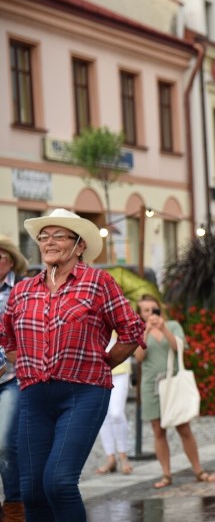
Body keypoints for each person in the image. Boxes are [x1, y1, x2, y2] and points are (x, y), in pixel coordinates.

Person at [0, 209, 145, 521]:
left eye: (58, 236)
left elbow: (132, 330)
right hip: (34, 396)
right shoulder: (23, 290)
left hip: (83, 393)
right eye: (44, 237)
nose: (49, 242)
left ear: (79, 246)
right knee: (32, 491)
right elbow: (7, 338)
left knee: (58, 482)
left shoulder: (98, 282)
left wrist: (104, 361)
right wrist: (27, 363)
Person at [134, 295, 215, 489]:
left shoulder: (172, 326)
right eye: (145, 311)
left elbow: (178, 347)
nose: (150, 313)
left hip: (173, 383)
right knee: (157, 429)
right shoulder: (138, 330)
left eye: (153, 309)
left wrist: (162, 328)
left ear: (159, 309)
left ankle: (198, 470)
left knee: (183, 427)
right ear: (139, 314)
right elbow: (139, 357)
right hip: (151, 386)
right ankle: (166, 474)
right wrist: (145, 332)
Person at [0, 235, 28, 521]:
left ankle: (15, 505)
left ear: (9, 260)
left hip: (12, 376)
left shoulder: (22, 288)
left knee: (5, 442)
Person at [94, 332, 134, 476]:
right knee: (103, 414)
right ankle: (110, 458)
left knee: (116, 413)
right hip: (98, 368)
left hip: (120, 368)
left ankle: (123, 456)